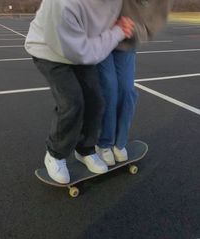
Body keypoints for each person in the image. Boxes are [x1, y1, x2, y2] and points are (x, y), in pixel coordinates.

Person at [25, 0, 135, 184]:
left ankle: (85, 150)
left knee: (96, 101)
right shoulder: (63, 5)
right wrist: (117, 32)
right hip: (49, 51)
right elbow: (83, 52)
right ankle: (55, 154)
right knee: (72, 102)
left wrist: (119, 26)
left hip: (80, 47)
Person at [96, 0, 173, 166]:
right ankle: (103, 143)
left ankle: (119, 143)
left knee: (127, 91)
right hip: (101, 37)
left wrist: (129, 28)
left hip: (126, 41)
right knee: (109, 89)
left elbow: (151, 26)